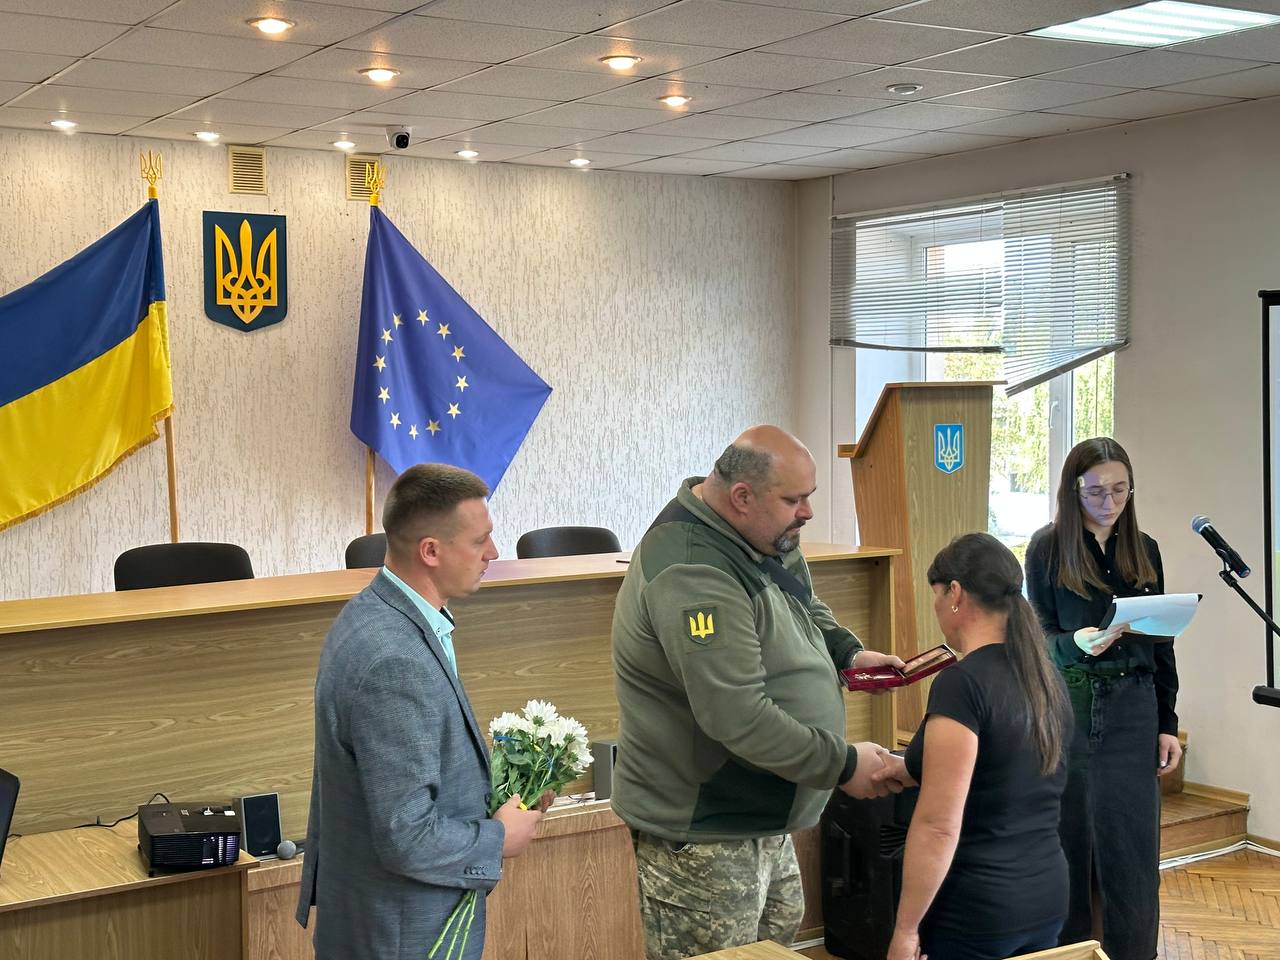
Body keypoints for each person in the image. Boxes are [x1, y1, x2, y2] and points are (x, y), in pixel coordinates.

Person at [610, 425, 903, 960]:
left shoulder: (761, 531)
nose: (807, 512)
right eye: (794, 499)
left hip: (760, 811)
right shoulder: (693, 568)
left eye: (809, 496)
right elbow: (737, 715)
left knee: (773, 944)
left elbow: (802, 603)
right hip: (705, 827)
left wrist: (847, 653)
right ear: (742, 496)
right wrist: (843, 765)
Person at [295, 463, 546, 960]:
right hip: (401, 934)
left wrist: (509, 790)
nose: (494, 553)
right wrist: (498, 839)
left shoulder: (375, 612)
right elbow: (406, 834)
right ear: (430, 551)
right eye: (480, 541)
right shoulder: (394, 659)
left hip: (381, 918)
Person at [875, 533, 1072, 960]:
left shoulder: (962, 684)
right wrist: (908, 767)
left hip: (978, 905)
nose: (935, 607)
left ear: (956, 593)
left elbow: (938, 826)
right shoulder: (1046, 677)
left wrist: (905, 931)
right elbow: (1005, 767)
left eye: (935, 595)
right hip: (1047, 892)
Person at [1024, 437, 1181, 960]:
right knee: (1067, 842)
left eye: (1119, 490)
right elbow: (1038, 638)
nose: (1109, 502)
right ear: (1074, 490)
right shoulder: (1047, 548)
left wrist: (1167, 722)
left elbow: (1162, 644)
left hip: (1135, 707)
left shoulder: (1145, 548)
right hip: (1073, 701)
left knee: (1132, 851)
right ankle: (1066, 953)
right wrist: (1075, 642)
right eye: (1095, 492)